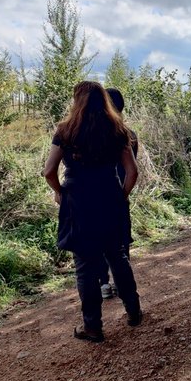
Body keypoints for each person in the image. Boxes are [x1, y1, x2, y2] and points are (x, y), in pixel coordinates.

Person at [43, 81, 142, 342]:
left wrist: (61, 193)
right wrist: (120, 197)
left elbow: (49, 171)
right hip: (109, 197)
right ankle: (134, 311)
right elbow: (132, 172)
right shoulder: (118, 130)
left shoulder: (65, 131)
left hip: (78, 203)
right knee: (117, 256)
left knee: (85, 266)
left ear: (78, 101)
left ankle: (93, 327)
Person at [98, 87, 139, 300]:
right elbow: (132, 169)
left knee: (98, 240)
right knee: (122, 239)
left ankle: (103, 283)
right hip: (119, 192)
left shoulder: (92, 134)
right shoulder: (129, 135)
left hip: (96, 196)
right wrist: (123, 194)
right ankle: (122, 285)